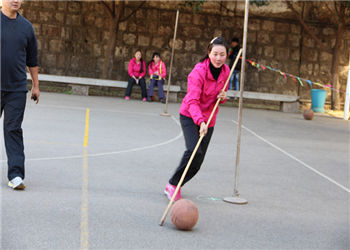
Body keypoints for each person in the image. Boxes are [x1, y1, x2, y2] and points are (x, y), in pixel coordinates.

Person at [164, 37, 230, 201]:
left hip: (209, 120)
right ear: (209, 53)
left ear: (226, 55)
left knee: (198, 161)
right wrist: (200, 121)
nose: (218, 58)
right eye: (215, 54)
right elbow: (193, 101)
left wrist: (223, 97)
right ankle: (172, 184)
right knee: (193, 151)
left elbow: (219, 97)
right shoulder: (198, 72)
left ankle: (179, 183)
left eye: (222, 54)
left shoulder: (226, 71)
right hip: (190, 115)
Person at [1, 0, 40, 190]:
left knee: (13, 129)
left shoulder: (26, 27)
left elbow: (32, 59)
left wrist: (36, 86)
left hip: (16, 89)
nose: (15, 0)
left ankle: (15, 175)